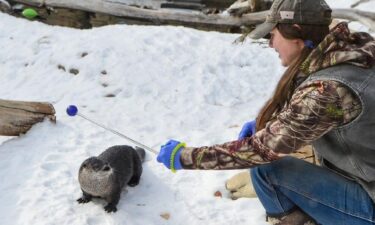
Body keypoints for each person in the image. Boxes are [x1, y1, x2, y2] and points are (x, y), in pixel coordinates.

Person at [157, 0, 375, 224]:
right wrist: (274, 122)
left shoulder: (327, 89)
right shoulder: (354, 50)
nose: (270, 44)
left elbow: (260, 151)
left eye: (272, 34)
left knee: (268, 172)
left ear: (296, 33)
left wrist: (183, 157)